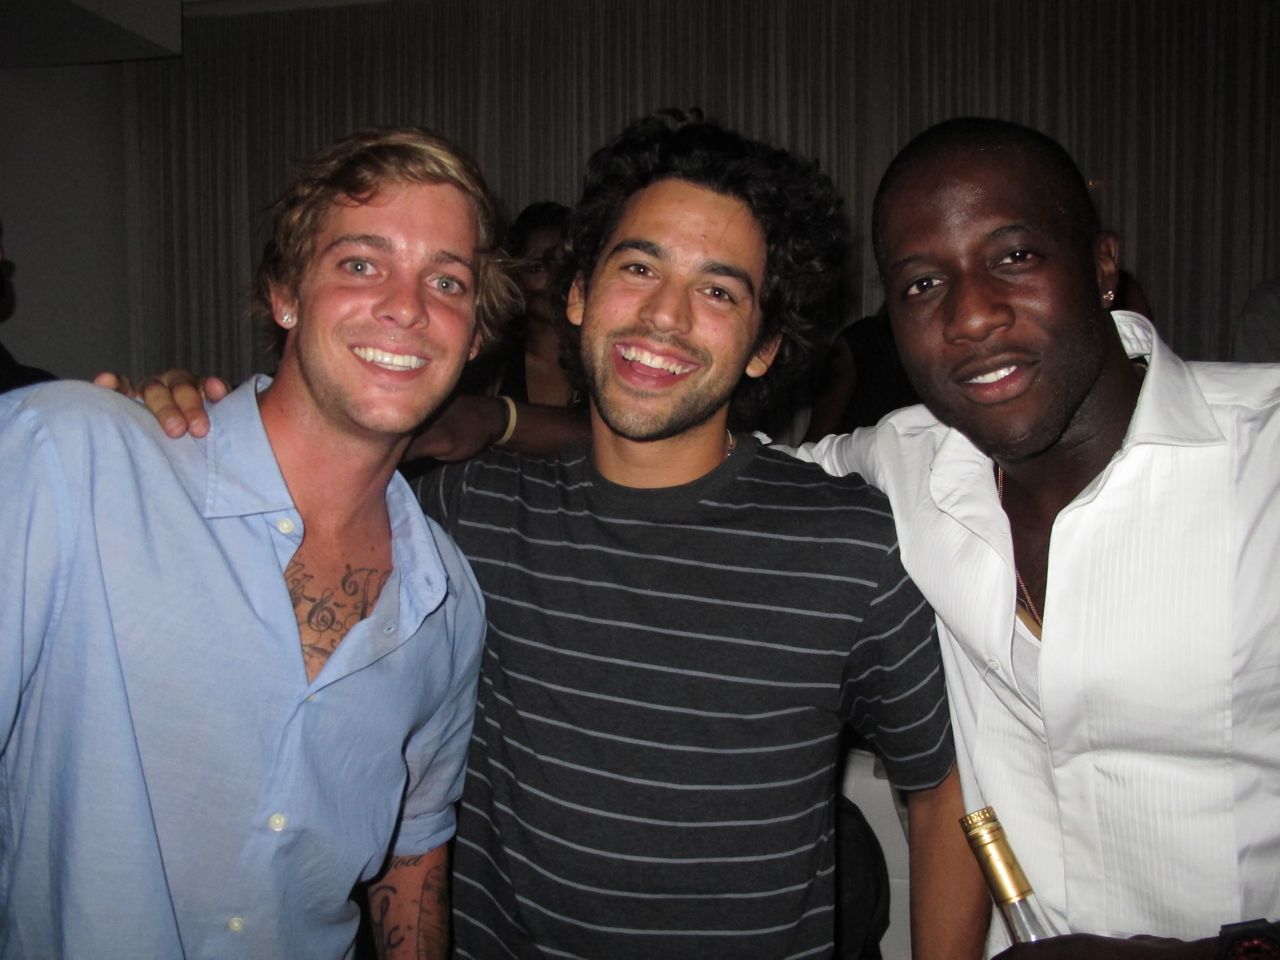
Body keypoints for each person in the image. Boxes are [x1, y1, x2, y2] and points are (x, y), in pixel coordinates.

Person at [121, 110, 988, 959]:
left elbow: (942, 788)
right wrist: (174, 427)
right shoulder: (464, 518)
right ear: (577, 294)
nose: (665, 316)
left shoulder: (850, 548)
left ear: (764, 346)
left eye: (718, 291)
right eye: (638, 267)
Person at [0, 126, 520, 959]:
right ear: (285, 296)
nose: (407, 306)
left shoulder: (449, 600)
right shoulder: (73, 456)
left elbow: (413, 853)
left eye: (447, 280)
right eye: (361, 264)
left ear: (475, 335)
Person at [793, 117, 1280, 959]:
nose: (972, 315)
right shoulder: (910, 460)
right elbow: (713, 467)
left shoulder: (1263, 461)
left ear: (1101, 266)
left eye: (1014, 256)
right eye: (921, 284)